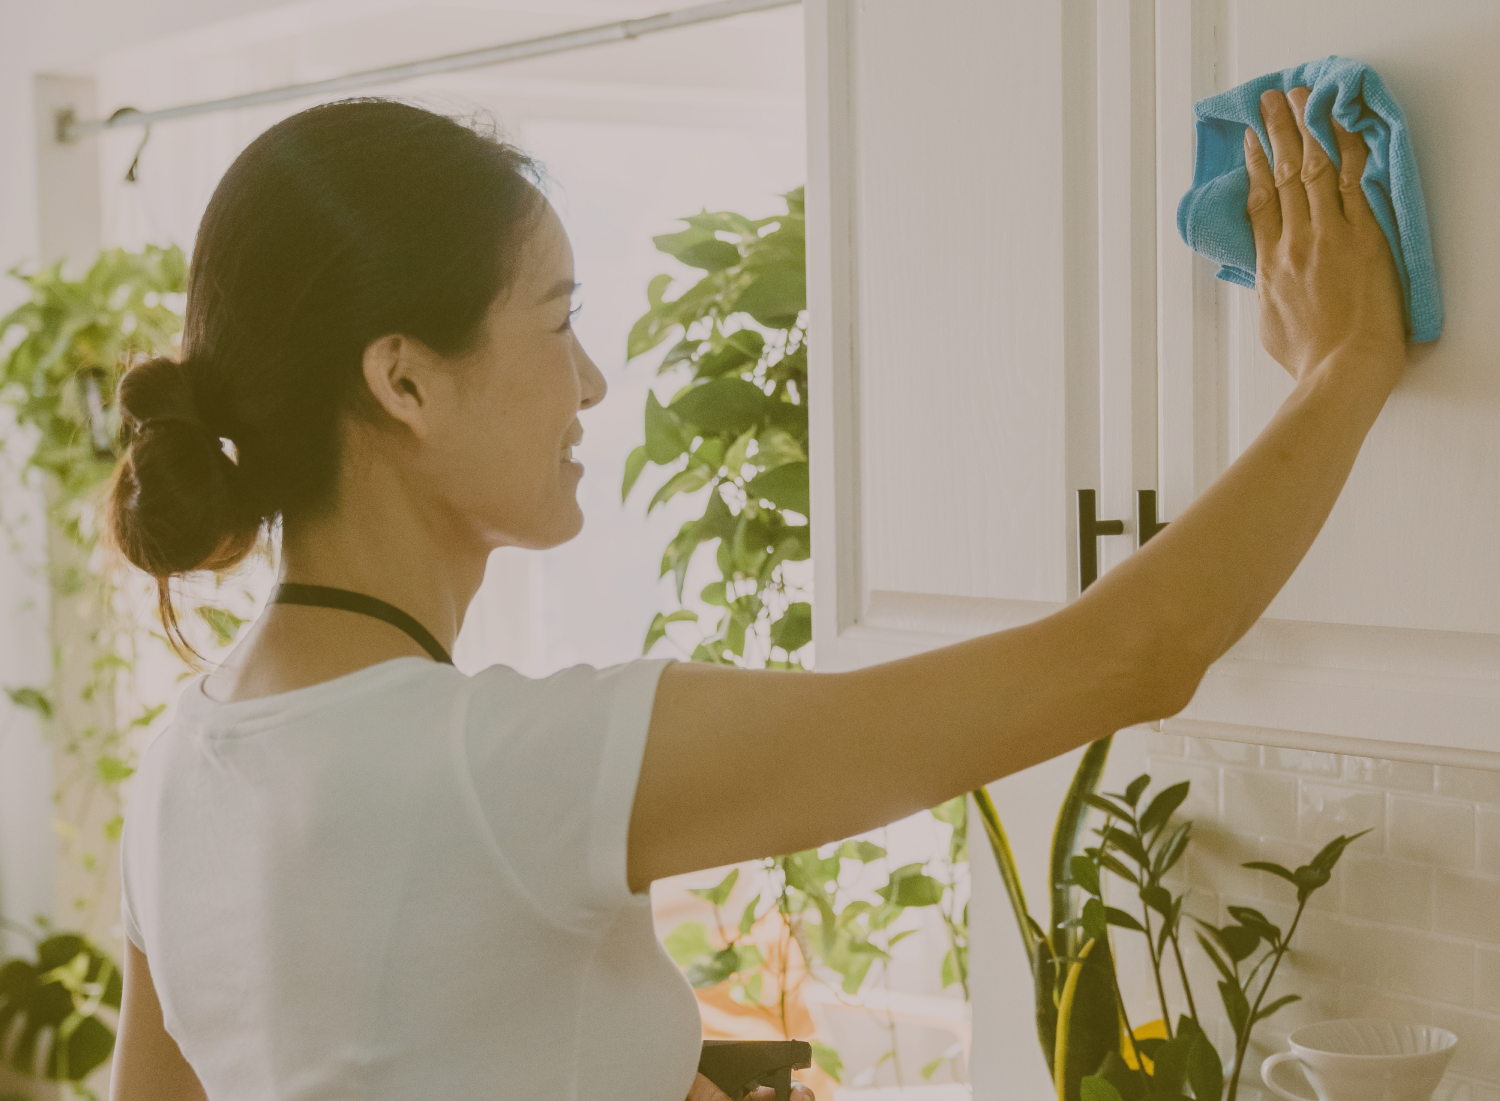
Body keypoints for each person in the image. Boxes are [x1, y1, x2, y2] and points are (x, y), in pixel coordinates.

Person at [105, 83, 1406, 1101]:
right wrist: (1344, 361)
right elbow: (1133, 654)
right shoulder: (500, 767)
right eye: (557, 323)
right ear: (405, 382)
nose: (595, 385)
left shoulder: (181, 768)